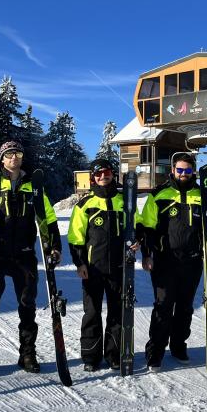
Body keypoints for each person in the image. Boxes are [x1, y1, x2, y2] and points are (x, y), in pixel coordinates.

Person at [0, 141, 62, 376]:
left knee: (27, 306)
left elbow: (48, 219)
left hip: (25, 254)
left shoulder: (34, 185)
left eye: (17, 153)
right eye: (9, 154)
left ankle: (27, 354)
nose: (14, 158)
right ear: (2, 158)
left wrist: (54, 247)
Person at [139, 153, 207, 371]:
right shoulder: (158, 195)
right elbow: (146, 227)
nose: (184, 174)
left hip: (193, 260)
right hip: (165, 260)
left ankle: (178, 346)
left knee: (185, 307)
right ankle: (155, 352)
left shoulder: (204, 195)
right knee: (163, 306)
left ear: (193, 172)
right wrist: (147, 254)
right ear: (173, 171)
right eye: (180, 170)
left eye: (187, 170)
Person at [67, 158, 139, 372]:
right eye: (98, 174)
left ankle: (114, 354)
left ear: (113, 174)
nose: (102, 177)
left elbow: (136, 227)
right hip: (93, 268)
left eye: (106, 172)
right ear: (93, 178)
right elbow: (75, 237)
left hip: (119, 268)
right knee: (92, 313)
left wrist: (137, 240)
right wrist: (80, 263)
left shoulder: (125, 201)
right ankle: (91, 356)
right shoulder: (84, 204)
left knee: (117, 313)